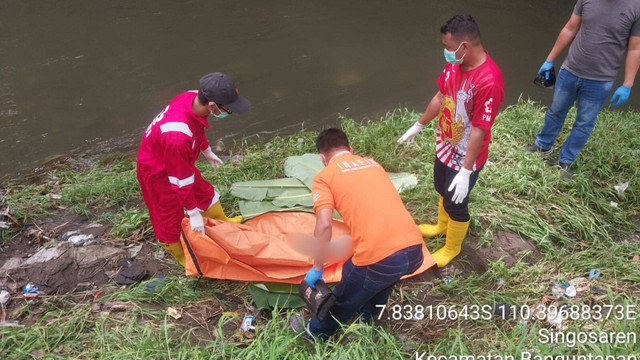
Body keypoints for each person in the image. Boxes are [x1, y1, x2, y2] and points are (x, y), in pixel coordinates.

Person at [289, 128, 424, 340]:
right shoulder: (373, 164)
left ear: (322, 158)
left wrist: (317, 267)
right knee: (369, 273)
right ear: (350, 149)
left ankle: (315, 333)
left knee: (345, 295)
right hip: (416, 251)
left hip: (382, 259)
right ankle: (368, 316)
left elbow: (324, 225)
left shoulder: (324, 177)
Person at [397, 14, 504, 268]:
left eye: (448, 47)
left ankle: (452, 246)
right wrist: (419, 124)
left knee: (456, 202)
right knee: (441, 188)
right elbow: (439, 96)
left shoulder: (488, 81)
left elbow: (479, 129)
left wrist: (466, 171)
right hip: (446, 144)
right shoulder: (455, 64)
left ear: (464, 46)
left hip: (466, 155)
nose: (446, 52)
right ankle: (440, 226)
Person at [137, 72, 251, 266]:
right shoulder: (177, 136)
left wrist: (205, 149)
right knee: (168, 215)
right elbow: (179, 180)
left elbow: (197, 126)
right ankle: (182, 256)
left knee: (204, 192)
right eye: (227, 109)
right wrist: (193, 212)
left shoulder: (191, 97)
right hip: (157, 170)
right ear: (213, 105)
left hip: (178, 159)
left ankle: (221, 222)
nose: (227, 112)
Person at [526, 0, 640, 178]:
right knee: (556, 110)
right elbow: (570, 28)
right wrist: (550, 59)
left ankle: (566, 159)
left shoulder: (636, 7)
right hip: (570, 70)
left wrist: (628, 83)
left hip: (601, 80)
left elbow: (635, 48)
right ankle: (543, 145)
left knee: (584, 123)